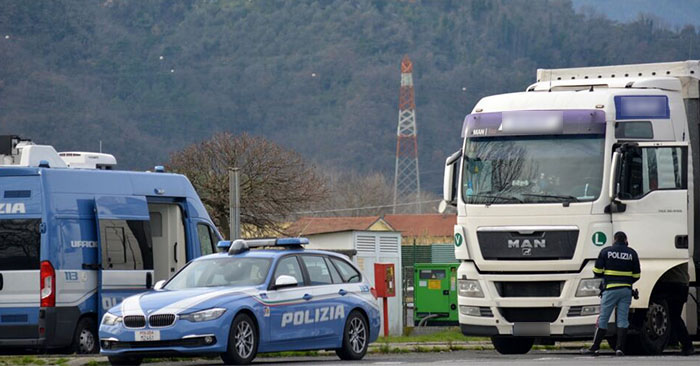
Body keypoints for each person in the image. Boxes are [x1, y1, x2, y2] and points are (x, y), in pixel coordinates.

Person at [581, 231, 640, 356]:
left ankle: (595, 347)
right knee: (623, 320)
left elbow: (597, 271)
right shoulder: (632, 253)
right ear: (626, 240)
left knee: (603, 318)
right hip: (626, 291)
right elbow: (637, 275)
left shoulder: (606, 251)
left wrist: (608, 277)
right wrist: (626, 280)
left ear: (614, 240)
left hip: (610, 290)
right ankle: (619, 349)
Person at [659, 264, 695, 355]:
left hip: (674, 285)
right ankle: (676, 342)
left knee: (675, 317)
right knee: (674, 316)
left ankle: (687, 345)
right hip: (682, 285)